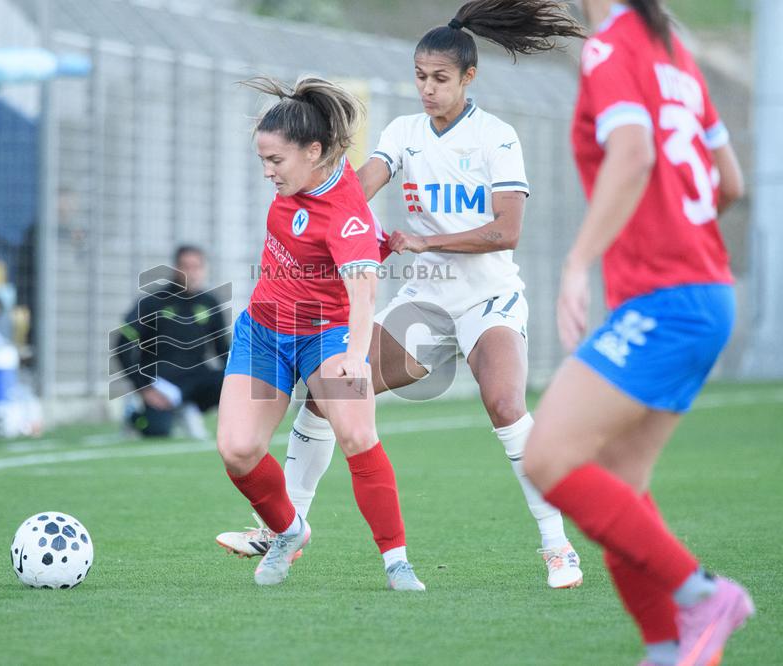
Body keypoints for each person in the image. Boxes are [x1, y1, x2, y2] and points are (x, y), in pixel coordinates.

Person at [216, 0, 587, 589]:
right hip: (422, 305)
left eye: (440, 78)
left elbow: (506, 231)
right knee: (326, 392)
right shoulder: (403, 132)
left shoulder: (497, 137)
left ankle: (557, 544)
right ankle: (285, 528)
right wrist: (328, 203)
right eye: (420, 76)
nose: (427, 89)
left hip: (487, 299)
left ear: (469, 77)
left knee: (505, 407)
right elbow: (355, 194)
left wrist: (416, 237)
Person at [519, 2, 752, 665]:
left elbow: (635, 154)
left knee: (548, 459)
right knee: (619, 484)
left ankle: (701, 594)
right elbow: (728, 182)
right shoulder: (673, 45)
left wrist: (578, 261)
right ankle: (667, 647)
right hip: (706, 292)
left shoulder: (609, 47)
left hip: (666, 300)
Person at [218, 75, 425, 591]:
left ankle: (397, 562)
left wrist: (357, 354)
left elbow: (363, 296)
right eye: (262, 160)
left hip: (325, 334)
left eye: (275, 162)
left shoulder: (347, 215)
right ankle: (290, 532)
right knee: (238, 451)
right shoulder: (300, 180)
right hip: (264, 331)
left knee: (356, 433)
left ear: (313, 152)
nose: (267, 172)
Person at [113, 245, 229, 438]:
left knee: (231, 381)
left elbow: (223, 350)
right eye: (186, 267)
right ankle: (134, 416)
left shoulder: (210, 303)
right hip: (161, 382)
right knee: (157, 431)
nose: (192, 273)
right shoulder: (153, 302)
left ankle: (189, 408)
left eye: (197, 267)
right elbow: (122, 344)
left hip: (195, 377)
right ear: (176, 269)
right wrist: (143, 388)